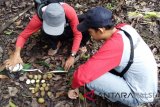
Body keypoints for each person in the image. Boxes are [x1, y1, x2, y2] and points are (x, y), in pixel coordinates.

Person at [68, 6, 158, 106]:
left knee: (90, 80)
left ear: (101, 30)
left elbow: (82, 75)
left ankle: (122, 100)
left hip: (138, 95)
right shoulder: (124, 27)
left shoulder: (115, 46)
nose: (90, 35)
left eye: (90, 32)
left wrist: (73, 87)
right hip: (146, 84)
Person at [4, 2, 90, 71]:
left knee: (85, 29)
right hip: (49, 30)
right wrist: (17, 53)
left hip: (67, 26)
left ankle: (80, 44)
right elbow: (23, 36)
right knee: (46, 35)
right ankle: (56, 44)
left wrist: (72, 55)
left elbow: (77, 34)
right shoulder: (38, 18)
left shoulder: (69, 11)